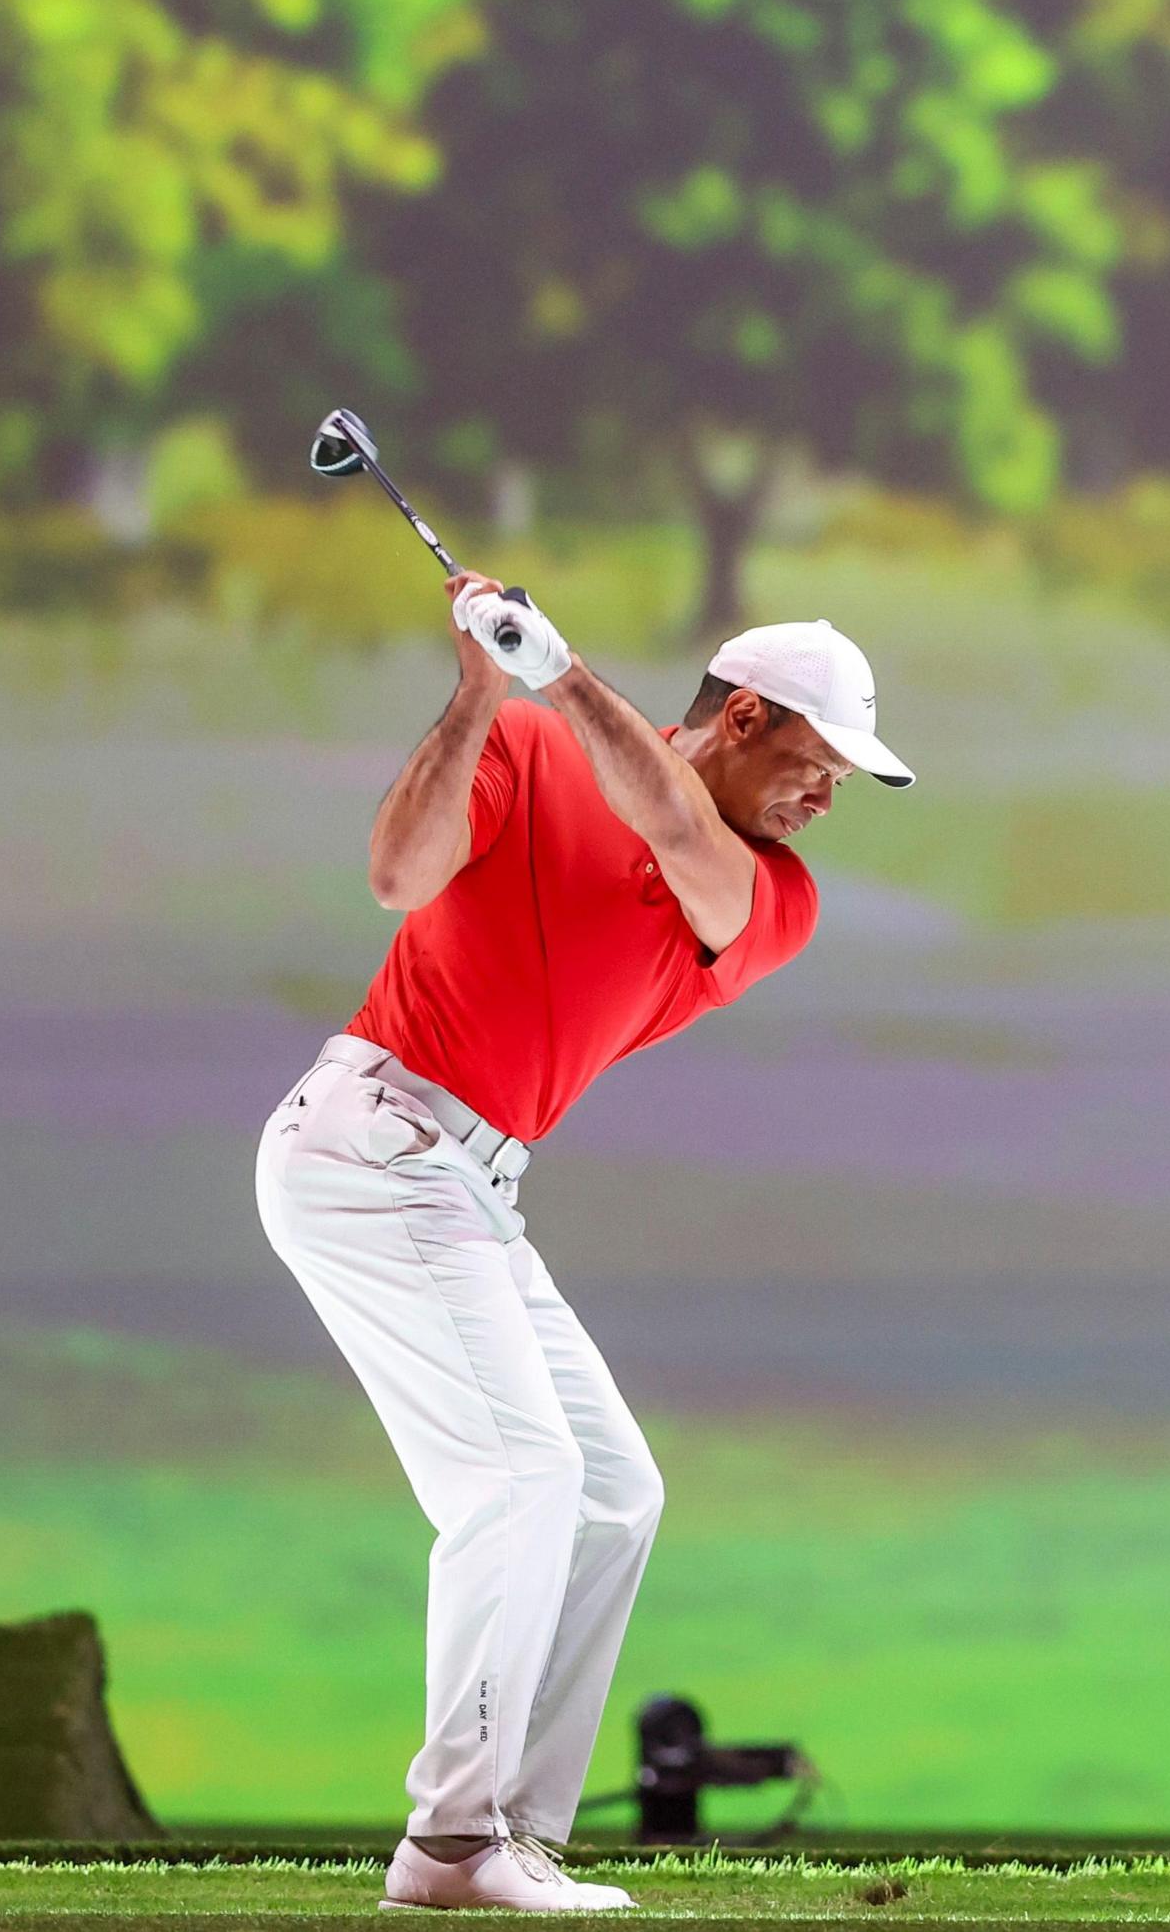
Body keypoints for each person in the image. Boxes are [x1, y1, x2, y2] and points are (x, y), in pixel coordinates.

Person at [253, 573, 909, 1912]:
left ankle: (509, 1836)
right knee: (524, 1478)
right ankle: (451, 1845)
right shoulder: (529, 745)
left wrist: (559, 672)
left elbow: (670, 820)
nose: (827, 798)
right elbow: (396, 875)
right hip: (372, 1143)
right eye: (818, 761)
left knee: (614, 1493)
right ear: (741, 718)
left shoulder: (773, 896)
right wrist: (485, 691)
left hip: (470, 1180)